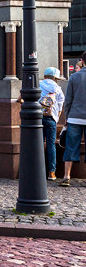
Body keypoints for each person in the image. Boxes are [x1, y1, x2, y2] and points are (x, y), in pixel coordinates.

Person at [61, 54, 86, 186]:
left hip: (75, 117)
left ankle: (66, 176)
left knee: (70, 146)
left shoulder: (74, 77)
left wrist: (67, 117)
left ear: (82, 61)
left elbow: (68, 100)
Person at [40, 67, 65, 180]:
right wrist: (57, 118)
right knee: (51, 145)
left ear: (45, 76)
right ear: (55, 78)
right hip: (51, 118)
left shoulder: (38, 85)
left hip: (37, 118)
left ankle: (37, 170)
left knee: (37, 145)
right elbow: (60, 105)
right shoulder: (57, 88)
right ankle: (52, 172)